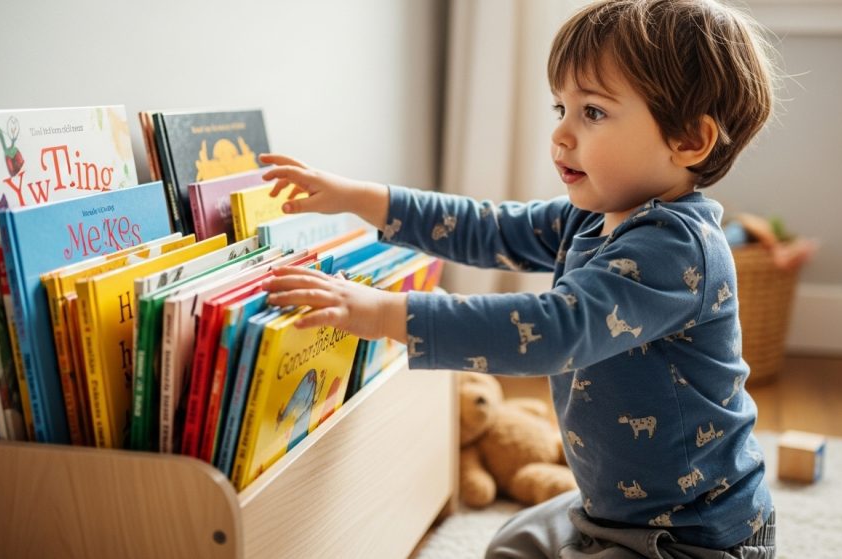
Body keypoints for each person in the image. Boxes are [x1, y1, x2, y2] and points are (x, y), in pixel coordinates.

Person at [260, 0, 778, 556]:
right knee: (511, 544)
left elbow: (551, 332)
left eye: (594, 113)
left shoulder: (676, 250)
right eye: (561, 107)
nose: (561, 135)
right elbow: (490, 229)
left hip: (692, 538)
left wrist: (385, 313)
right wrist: (360, 198)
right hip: (613, 507)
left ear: (688, 141)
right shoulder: (592, 213)